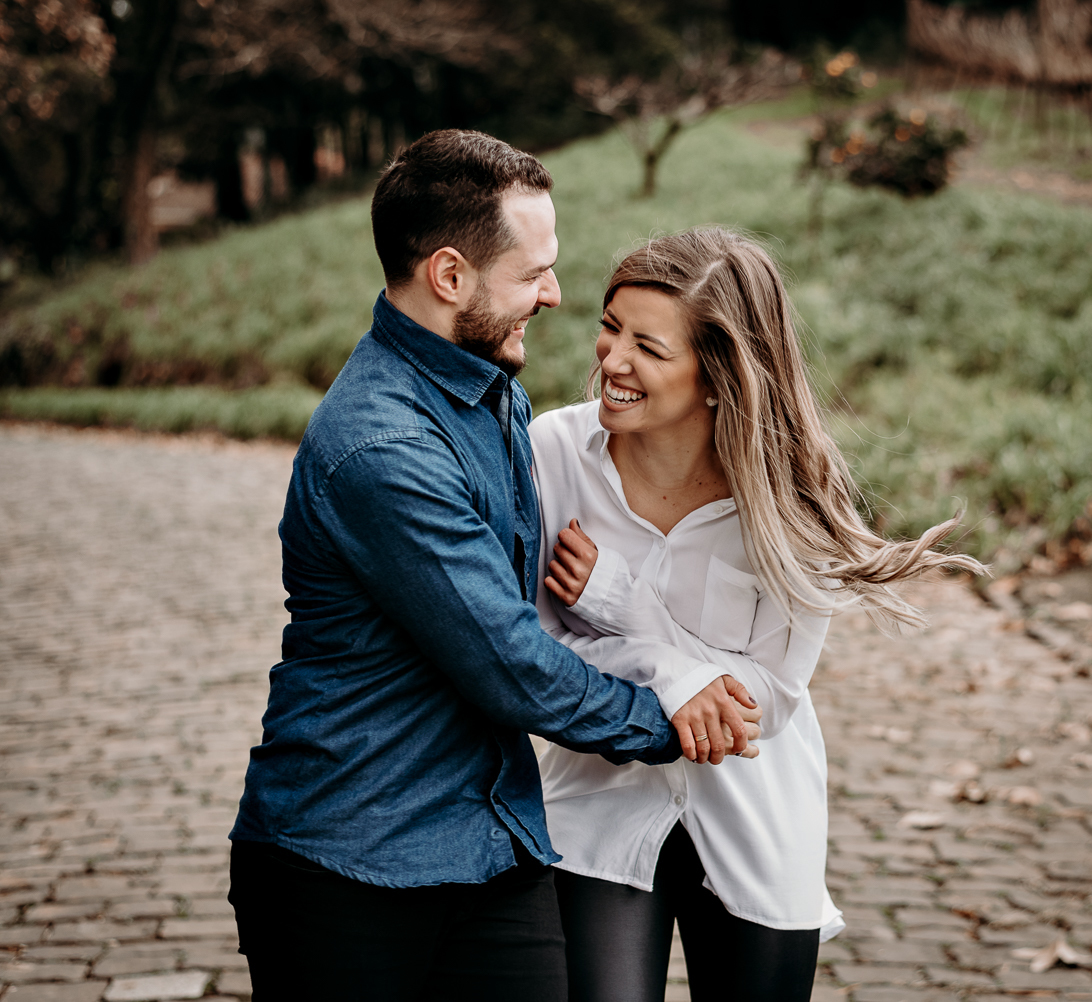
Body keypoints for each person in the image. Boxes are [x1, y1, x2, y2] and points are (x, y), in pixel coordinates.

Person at [226, 134, 762, 1002]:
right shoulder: (384, 446)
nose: (555, 294)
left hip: (494, 845)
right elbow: (511, 664)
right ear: (449, 276)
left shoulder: (485, 388)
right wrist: (673, 718)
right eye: (532, 272)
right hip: (352, 860)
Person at [530, 227, 985, 1002]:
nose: (612, 361)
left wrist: (618, 605)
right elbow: (537, 650)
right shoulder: (553, 454)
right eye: (609, 327)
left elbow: (765, 703)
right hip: (594, 812)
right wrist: (673, 670)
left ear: (718, 375)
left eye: (649, 346)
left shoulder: (797, 495)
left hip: (758, 824)